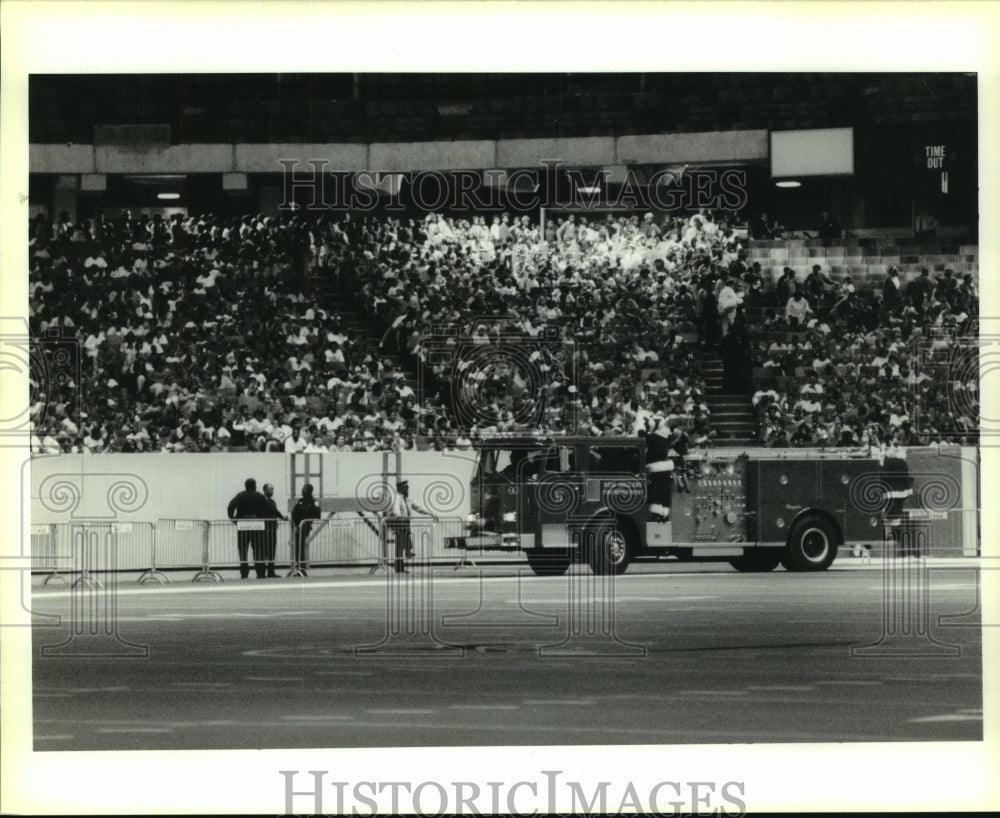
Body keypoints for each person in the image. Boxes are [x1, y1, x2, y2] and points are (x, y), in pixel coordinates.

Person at [385, 479, 436, 573]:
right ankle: (406, 555)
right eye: (405, 488)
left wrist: (429, 513)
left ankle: (407, 553)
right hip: (398, 523)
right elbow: (395, 510)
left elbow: (418, 507)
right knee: (400, 545)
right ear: (400, 488)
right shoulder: (397, 498)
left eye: (407, 487)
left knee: (403, 540)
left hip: (404, 523)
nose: (407, 489)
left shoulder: (408, 499)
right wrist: (399, 516)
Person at [226, 477, 270, 579]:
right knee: (258, 550)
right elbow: (269, 508)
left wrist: (233, 519)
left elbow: (230, 506)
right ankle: (260, 572)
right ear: (255, 486)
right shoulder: (259, 496)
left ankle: (244, 573)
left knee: (243, 550)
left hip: (243, 526)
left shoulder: (240, 495)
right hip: (258, 527)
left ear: (245, 486)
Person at [290, 483, 322, 576]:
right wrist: (296, 525)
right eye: (303, 489)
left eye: (306, 489)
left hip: (305, 526)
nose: (303, 491)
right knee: (297, 546)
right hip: (298, 527)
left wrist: (304, 523)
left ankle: (301, 566)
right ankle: (299, 565)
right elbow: (294, 513)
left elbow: (317, 515)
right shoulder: (300, 501)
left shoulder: (314, 502)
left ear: (310, 491)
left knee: (300, 545)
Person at [261, 483, 286, 578]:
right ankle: (265, 572)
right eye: (271, 489)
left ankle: (270, 571)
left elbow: (275, 511)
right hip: (266, 528)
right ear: (265, 490)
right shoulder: (264, 501)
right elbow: (275, 511)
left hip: (271, 528)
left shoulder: (271, 501)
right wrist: (282, 517)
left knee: (271, 549)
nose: (272, 491)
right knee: (266, 550)